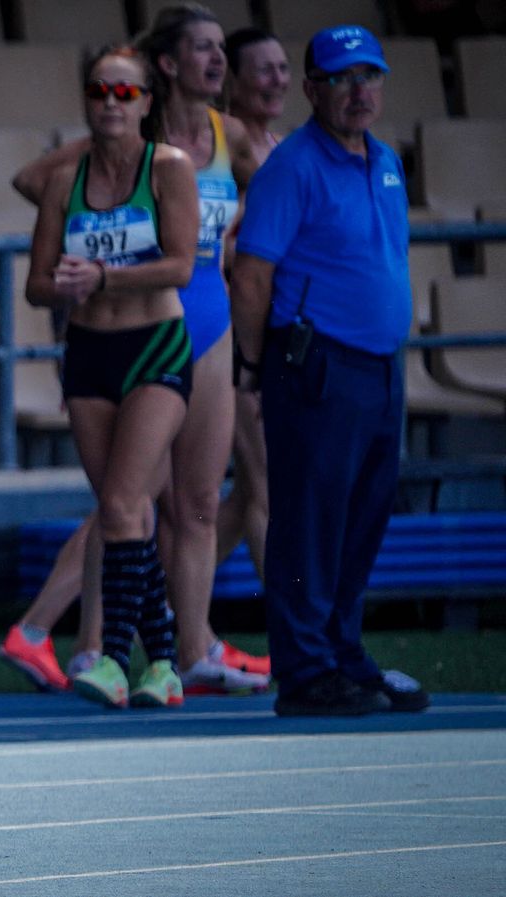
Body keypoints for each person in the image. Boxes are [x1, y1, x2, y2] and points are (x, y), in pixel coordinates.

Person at [4, 5, 271, 697]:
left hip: (198, 325)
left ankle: (187, 646)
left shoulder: (226, 137)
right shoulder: (115, 143)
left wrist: (242, 239)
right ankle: (93, 642)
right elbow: (36, 184)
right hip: (109, 334)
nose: (218, 62)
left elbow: (270, 196)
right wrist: (88, 249)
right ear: (168, 64)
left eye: (222, 50)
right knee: (127, 502)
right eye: (203, 49)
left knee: (193, 503)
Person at [231, 25, 429, 716]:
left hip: (378, 365)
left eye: (369, 76)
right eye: (342, 79)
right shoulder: (294, 166)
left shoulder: (385, 160)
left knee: (363, 515)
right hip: (316, 362)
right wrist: (254, 365)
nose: (358, 91)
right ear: (312, 88)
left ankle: (342, 651)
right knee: (311, 519)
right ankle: (307, 668)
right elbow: (252, 275)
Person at [26, 44, 200, 709]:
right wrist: (68, 288)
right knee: (122, 512)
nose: (111, 104)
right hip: (89, 354)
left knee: (127, 502)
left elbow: (182, 264)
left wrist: (105, 276)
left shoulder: (169, 168)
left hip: (155, 344)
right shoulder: (65, 180)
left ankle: (110, 658)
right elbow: (37, 286)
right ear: (86, 100)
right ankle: (163, 663)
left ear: (148, 102)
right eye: (101, 91)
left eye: (126, 93)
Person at [215, 26, 289, 589]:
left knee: (248, 490)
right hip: (236, 336)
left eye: (283, 67)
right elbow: (215, 241)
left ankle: (165, 611)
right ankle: (295, 641)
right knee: (267, 486)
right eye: (263, 70)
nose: (278, 79)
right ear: (232, 83)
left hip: (280, 331)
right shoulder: (226, 147)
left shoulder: (282, 147)